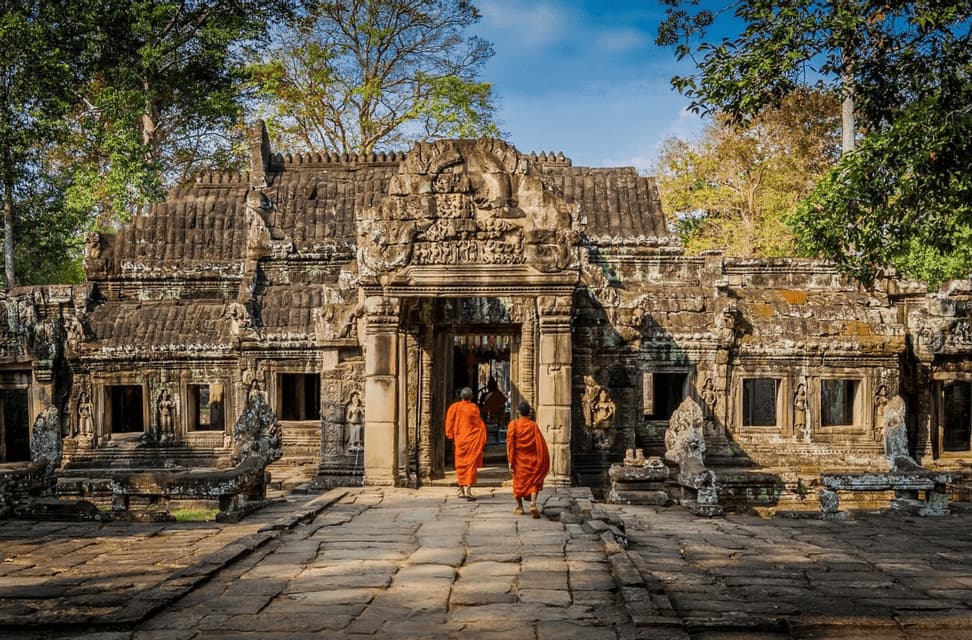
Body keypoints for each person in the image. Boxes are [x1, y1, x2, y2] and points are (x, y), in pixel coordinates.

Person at [506, 401, 550, 518]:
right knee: (533, 481)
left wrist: (510, 460)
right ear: (529, 413)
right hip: (532, 459)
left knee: (518, 483)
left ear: (518, 412)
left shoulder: (513, 425)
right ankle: (533, 503)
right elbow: (540, 444)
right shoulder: (533, 426)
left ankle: (520, 507)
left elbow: (510, 444)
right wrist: (542, 458)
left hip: (519, 459)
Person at [445, 386, 487, 500]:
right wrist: (481, 437)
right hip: (471, 441)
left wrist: (450, 434)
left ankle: (462, 490)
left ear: (460, 396)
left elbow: (449, 423)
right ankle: (468, 489)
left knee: (460, 465)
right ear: (472, 397)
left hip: (460, 441)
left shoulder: (454, 407)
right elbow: (479, 425)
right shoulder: (474, 408)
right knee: (471, 465)